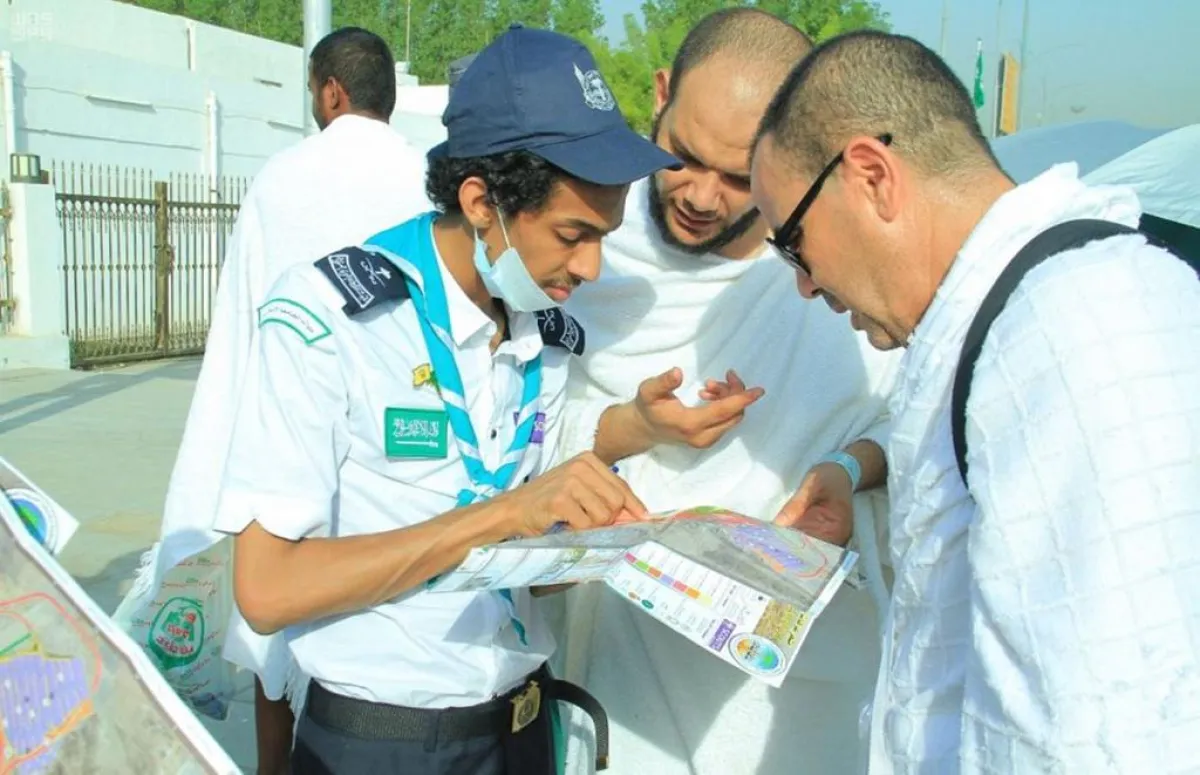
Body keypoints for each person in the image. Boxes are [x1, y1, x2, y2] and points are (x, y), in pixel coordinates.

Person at [212, 25, 681, 775]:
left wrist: (602, 546)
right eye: (573, 234)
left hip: (522, 727)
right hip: (383, 743)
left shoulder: (543, 336)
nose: (591, 267)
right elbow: (266, 589)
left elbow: (513, 566)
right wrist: (505, 513)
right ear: (481, 202)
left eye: (605, 237)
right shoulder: (331, 321)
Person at [751, 30, 1200, 772]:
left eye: (793, 243)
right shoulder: (1012, 319)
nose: (804, 285)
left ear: (871, 176)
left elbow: (1099, 730)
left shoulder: (1074, 324)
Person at [550, 10, 902, 775]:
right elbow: (513, 423)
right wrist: (632, 427)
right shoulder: (578, 244)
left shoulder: (828, 278)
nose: (702, 196)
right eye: (683, 157)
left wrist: (847, 472)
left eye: (740, 177)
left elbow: (911, 427)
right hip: (605, 688)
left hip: (782, 718)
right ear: (661, 94)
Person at [115, 27, 430, 775]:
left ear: (331, 92)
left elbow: (244, 323)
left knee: (275, 613)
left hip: (291, 423)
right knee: (387, 595)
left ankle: (272, 767)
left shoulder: (283, 178)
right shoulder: (427, 177)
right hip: (402, 436)